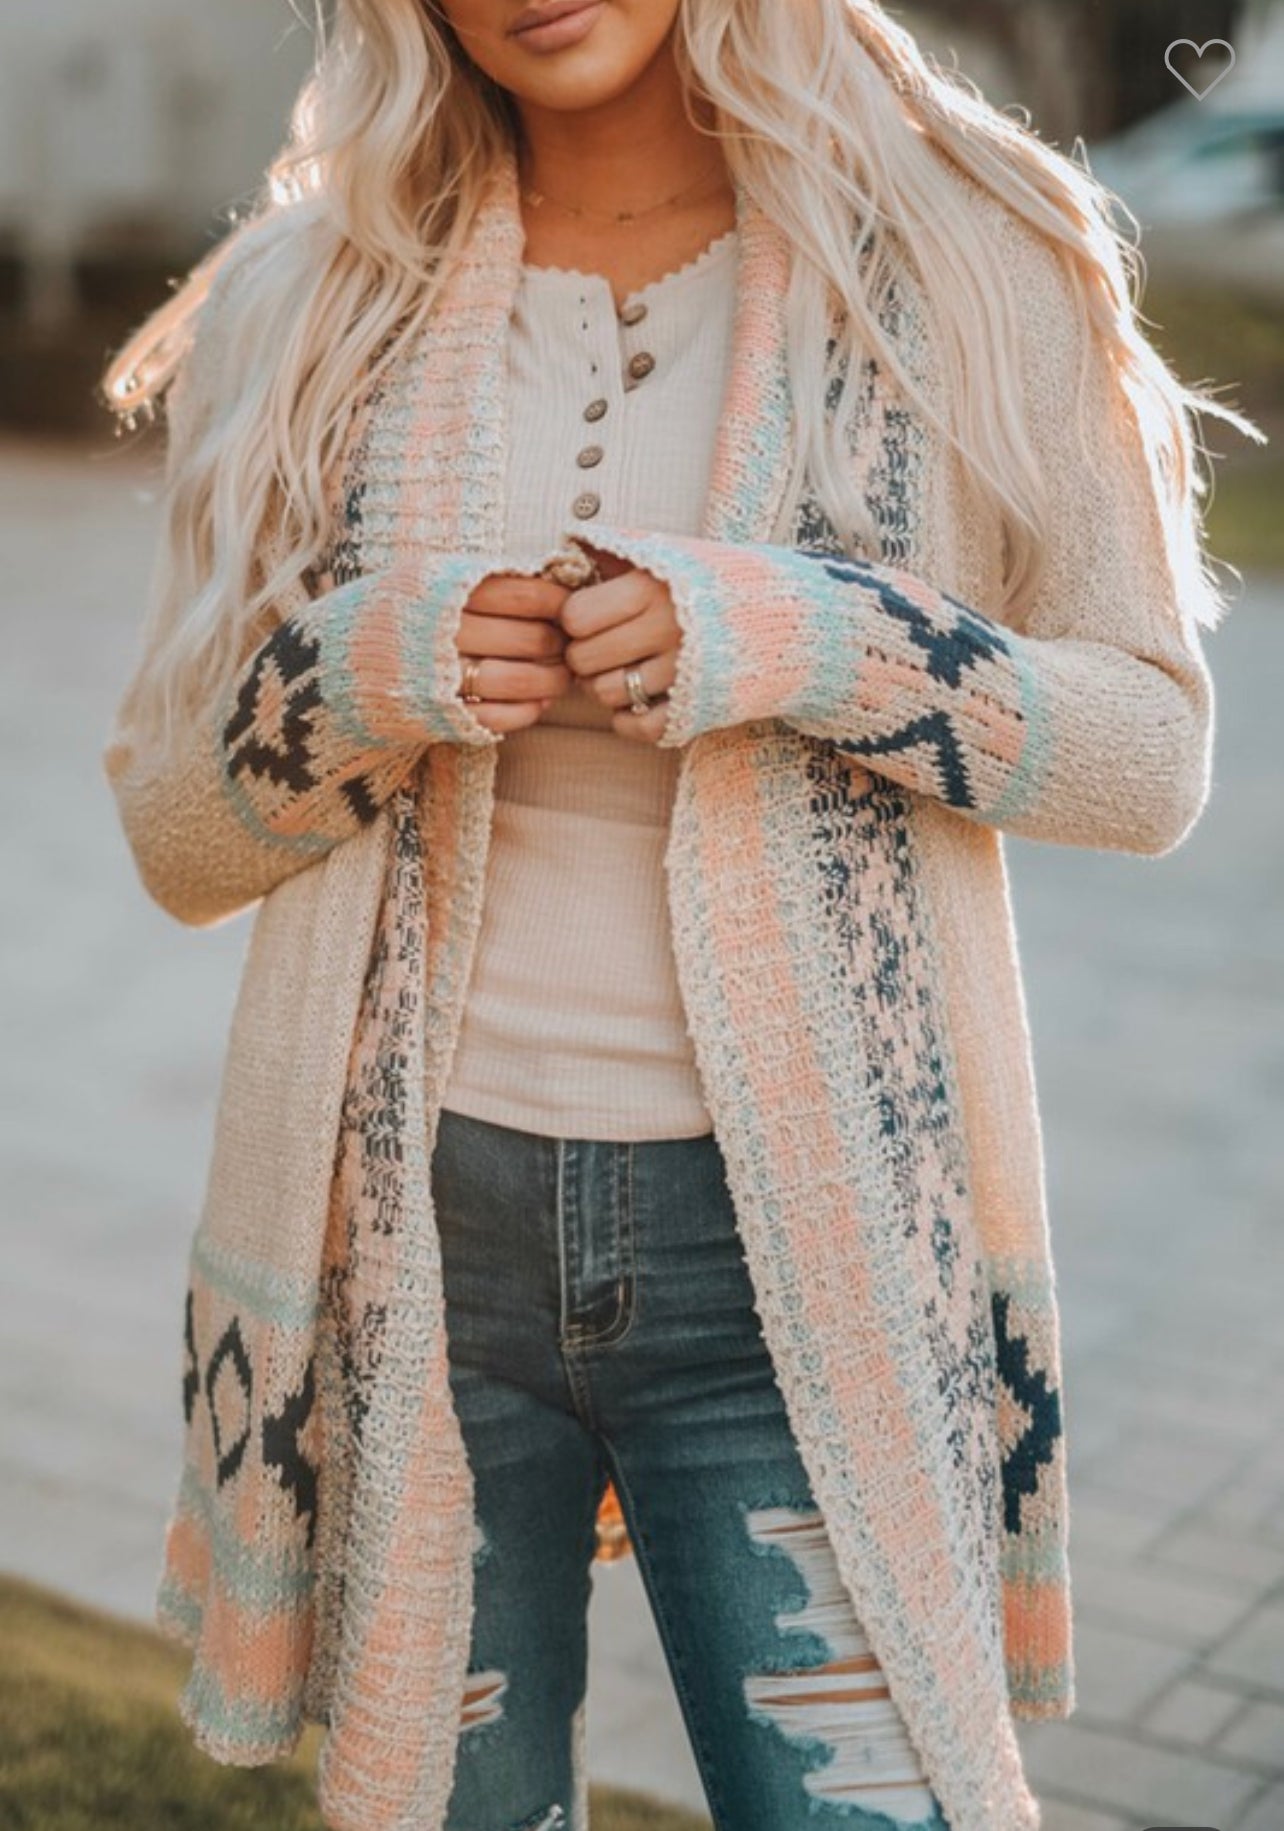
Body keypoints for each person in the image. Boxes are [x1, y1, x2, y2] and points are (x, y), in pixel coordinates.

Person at [100, 4, 1247, 1830]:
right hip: (411, 1245)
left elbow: (1149, 753)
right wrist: (356, 677)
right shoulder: (318, 293)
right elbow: (178, 831)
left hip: (800, 1260)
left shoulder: (964, 245)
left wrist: (810, 636)